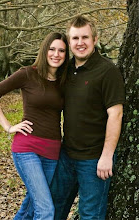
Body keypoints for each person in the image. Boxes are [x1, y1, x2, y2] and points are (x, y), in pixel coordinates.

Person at [0, 32, 69, 220]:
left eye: (61, 50)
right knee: (46, 209)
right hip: (27, 148)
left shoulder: (65, 81)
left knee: (31, 205)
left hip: (52, 151)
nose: (56, 54)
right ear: (44, 50)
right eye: (52, 49)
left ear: (66, 54)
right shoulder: (27, 73)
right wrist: (8, 127)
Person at [50, 15, 125, 220]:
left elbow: (116, 114)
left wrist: (107, 156)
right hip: (66, 155)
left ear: (95, 39)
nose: (80, 43)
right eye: (75, 38)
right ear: (69, 41)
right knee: (53, 209)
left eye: (85, 37)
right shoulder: (65, 70)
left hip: (94, 159)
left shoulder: (107, 71)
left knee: (90, 215)